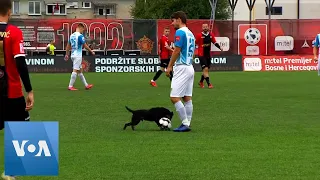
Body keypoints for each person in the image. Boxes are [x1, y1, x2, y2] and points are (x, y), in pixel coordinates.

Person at [0, 0, 34, 178]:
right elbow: (20, 62)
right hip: (11, 92)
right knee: (21, 130)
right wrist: (29, 90)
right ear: (10, 11)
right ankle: (10, 172)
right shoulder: (13, 31)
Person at [165, 11, 195, 132]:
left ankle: (185, 123)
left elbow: (177, 50)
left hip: (182, 67)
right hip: (190, 67)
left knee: (174, 97)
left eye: (173, 21)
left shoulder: (180, 32)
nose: (172, 24)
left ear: (178, 19)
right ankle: (188, 122)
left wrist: (170, 66)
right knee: (187, 97)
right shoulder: (190, 33)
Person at [65, 23, 94, 91]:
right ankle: (70, 86)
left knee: (80, 71)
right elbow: (85, 46)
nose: (82, 31)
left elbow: (68, 46)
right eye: (82, 30)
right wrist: (91, 51)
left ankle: (86, 85)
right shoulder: (80, 36)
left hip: (73, 55)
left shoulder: (71, 36)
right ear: (80, 27)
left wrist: (67, 54)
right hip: (78, 55)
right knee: (75, 70)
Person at [195, 23, 222, 88]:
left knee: (206, 70)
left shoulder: (211, 35)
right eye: (204, 27)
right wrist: (194, 52)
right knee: (205, 69)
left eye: (206, 27)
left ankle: (201, 82)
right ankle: (209, 84)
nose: (205, 28)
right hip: (201, 55)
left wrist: (219, 47)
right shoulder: (199, 35)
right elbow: (195, 44)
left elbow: (214, 42)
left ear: (208, 27)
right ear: (202, 28)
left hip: (208, 55)